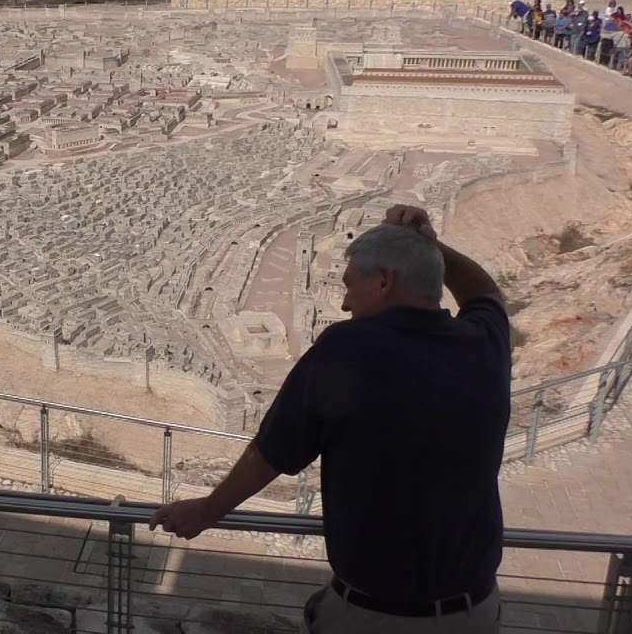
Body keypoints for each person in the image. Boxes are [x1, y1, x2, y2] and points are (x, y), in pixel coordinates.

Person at [151, 204, 511, 634]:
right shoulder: (484, 343)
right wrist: (430, 248)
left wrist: (209, 510)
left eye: (349, 285)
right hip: (476, 612)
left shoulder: (350, 347)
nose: (343, 302)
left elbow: (271, 453)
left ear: (384, 281)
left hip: (379, 618)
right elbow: (486, 294)